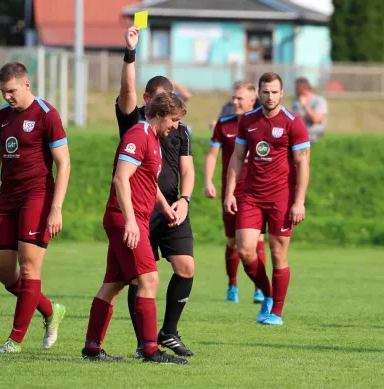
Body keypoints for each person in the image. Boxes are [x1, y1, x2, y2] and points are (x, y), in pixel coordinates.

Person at [81, 91, 188, 365]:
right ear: (161, 115)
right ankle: (151, 350)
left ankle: (92, 348)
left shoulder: (152, 139)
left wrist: (164, 206)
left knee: (113, 284)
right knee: (149, 280)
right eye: (174, 120)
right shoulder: (138, 135)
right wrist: (130, 220)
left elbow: (148, 181)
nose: (176, 126)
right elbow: (121, 179)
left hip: (135, 216)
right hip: (125, 218)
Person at [0, 62, 70, 353]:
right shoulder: (3, 116)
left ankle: (14, 341)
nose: (7, 97)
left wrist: (56, 208)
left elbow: (64, 164)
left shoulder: (47, 114)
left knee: (28, 267)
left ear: (26, 85)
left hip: (37, 196)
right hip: (7, 198)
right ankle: (50, 309)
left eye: (11, 91)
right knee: (2, 270)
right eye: (3, 91)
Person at [116, 26, 196, 357]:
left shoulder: (180, 129)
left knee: (186, 267)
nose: (174, 118)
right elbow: (128, 89)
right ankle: (143, 344)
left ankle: (168, 333)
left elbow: (187, 169)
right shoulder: (136, 121)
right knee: (138, 279)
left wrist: (184, 200)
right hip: (141, 209)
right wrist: (131, 52)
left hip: (170, 209)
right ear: (153, 103)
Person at [224, 72, 310, 326]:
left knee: (277, 252)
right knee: (246, 250)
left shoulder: (293, 122)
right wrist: (230, 191)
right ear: (258, 93)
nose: (270, 96)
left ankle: (276, 312)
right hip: (251, 196)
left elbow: (303, 162)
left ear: (282, 93)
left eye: (274, 92)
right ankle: (268, 293)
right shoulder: (248, 120)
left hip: (281, 197)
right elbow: (238, 157)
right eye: (265, 92)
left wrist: (299, 201)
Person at [203, 82, 267, 304]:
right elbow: (212, 155)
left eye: (239, 98)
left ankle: (260, 288)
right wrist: (208, 180)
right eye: (233, 97)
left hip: (257, 193)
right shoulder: (224, 124)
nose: (234, 101)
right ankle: (232, 285)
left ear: (252, 101)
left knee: (257, 239)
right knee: (232, 241)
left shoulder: (263, 124)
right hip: (231, 192)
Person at [291, 77, 328, 145]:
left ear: (303, 88)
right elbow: (296, 122)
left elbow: (316, 119)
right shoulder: (296, 103)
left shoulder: (319, 100)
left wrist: (305, 106)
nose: (295, 91)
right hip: (300, 132)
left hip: (314, 133)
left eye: (296, 88)